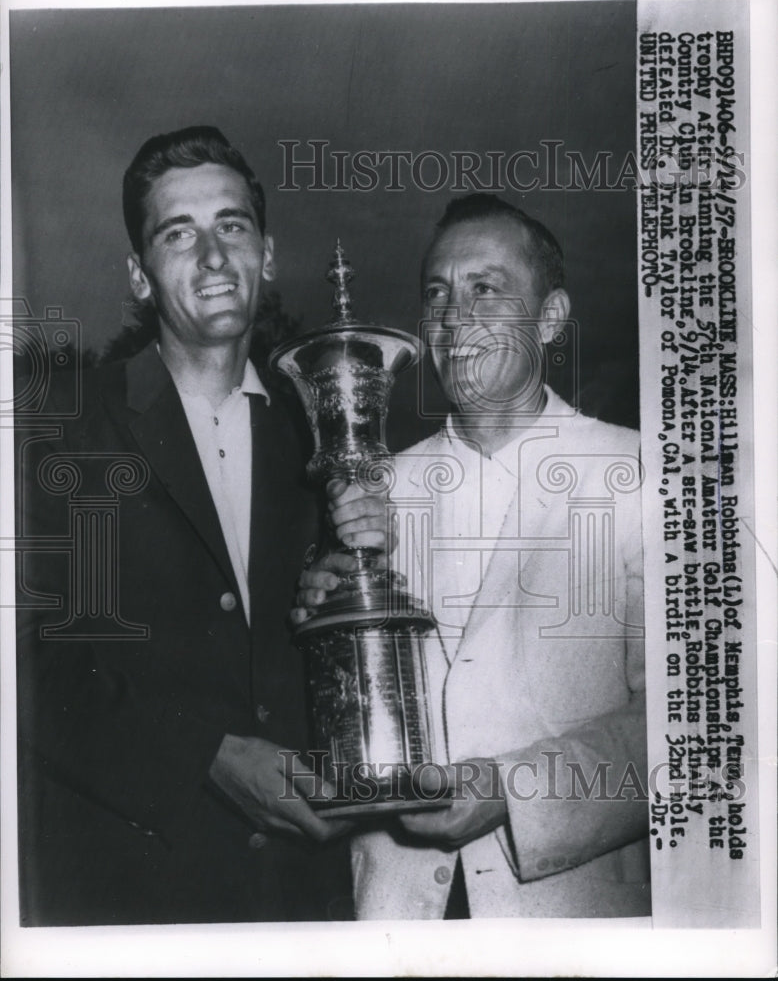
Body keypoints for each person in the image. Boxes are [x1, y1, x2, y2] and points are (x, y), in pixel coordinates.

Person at [14, 126, 355, 925]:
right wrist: (205, 757)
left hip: (304, 904)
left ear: (266, 255)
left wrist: (329, 610)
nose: (211, 256)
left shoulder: (320, 430)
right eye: (178, 233)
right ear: (139, 274)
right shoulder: (59, 427)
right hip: (130, 902)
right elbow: (24, 667)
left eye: (231, 225)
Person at [296, 193, 649, 919]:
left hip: (571, 921)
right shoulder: (370, 486)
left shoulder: (642, 470)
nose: (453, 319)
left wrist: (510, 793)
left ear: (550, 318)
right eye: (437, 293)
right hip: (395, 921)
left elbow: (691, 728)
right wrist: (316, 620)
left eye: (484, 289)